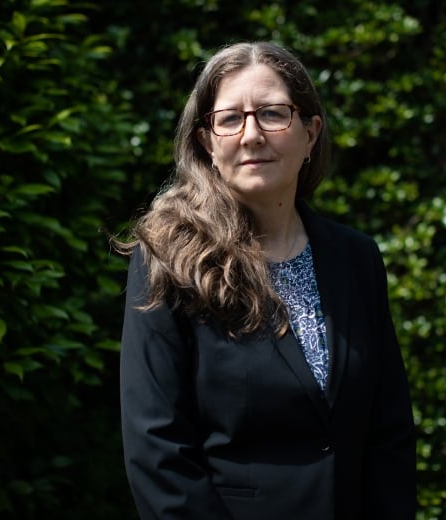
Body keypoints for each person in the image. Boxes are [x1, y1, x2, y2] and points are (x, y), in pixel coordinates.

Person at [115, 41, 415, 519]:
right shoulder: (168, 262)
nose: (251, 135)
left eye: (273, 114)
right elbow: (158, 450)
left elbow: (389, 428)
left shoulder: (356, 258)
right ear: (207, 143)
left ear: (310, 133)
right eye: (230, 119)